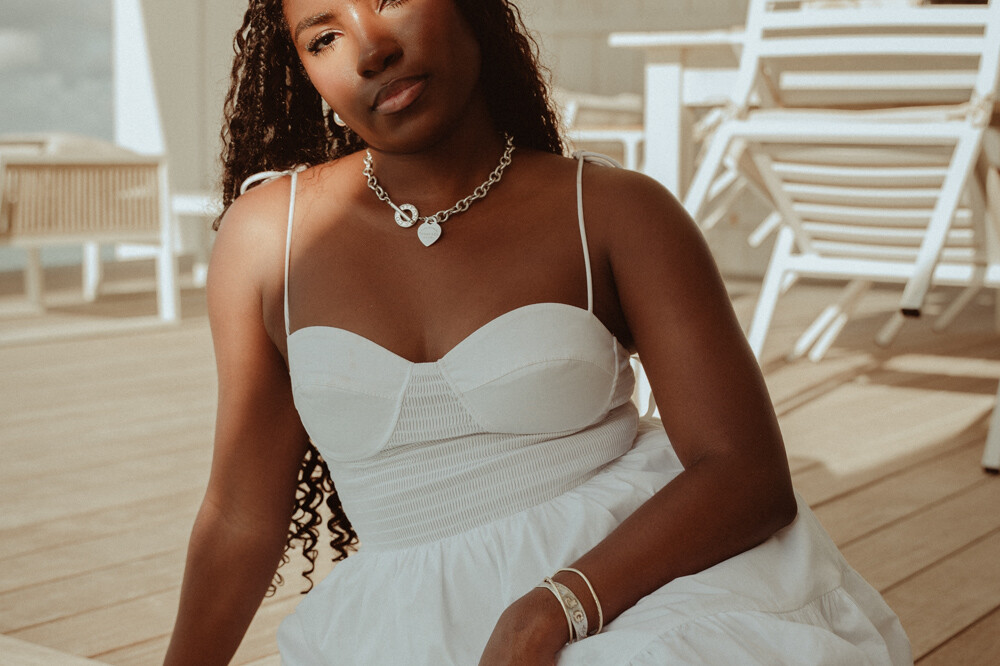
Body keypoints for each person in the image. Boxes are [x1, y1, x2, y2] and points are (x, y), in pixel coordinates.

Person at [164, 0, 912, 663]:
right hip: (405, 622)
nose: (369, 48)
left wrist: (553, 608)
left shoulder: (615, 211)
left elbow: (744, 472)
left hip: (638, 579)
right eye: (322, 37)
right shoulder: (268, 238)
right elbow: (240, 514)